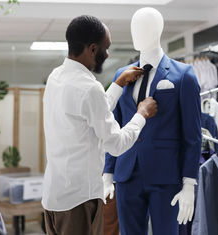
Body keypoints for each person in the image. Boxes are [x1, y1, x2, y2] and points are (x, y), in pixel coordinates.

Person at [41, 15, 158, 235]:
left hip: (53, 198)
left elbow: (88, 112)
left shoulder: (56, 77)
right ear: (93, 49)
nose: (108, 53)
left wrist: (117, 85)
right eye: (106, 48)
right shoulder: (89, 88)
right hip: (79, 203)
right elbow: (116, 144)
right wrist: (141, 115)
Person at [103, 7, 201, 235]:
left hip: (166, 175)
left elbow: (192, 135)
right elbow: (113, 128)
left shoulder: (183, 75)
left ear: (158, 30)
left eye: (143, 27)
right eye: (134, 26)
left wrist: (189, 183)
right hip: (126, 172)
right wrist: (108, 172)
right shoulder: (122, 74)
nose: (136, 32)